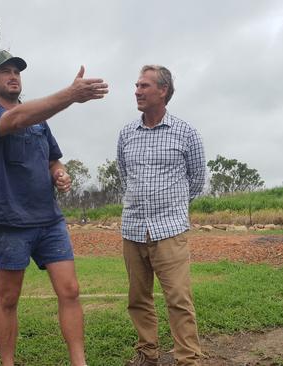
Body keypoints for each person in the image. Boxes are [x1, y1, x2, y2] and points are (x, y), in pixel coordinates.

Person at [0, 50, 108, 366]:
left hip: (49, 220)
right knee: (8, 298)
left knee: (70, 290)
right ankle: (7, 362)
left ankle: (79, 362)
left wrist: (59, 172)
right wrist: (71, 94)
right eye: (5, 71)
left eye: (17, 70)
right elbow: (16, 119)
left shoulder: (40, 121)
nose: (13, 75)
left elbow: (51, 159)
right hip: (10, 221)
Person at [116, 65, 206, 366]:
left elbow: (196, 180)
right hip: (133, 230)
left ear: (163, 91)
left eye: (144, 86)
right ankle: (147, 354)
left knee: (178, 300)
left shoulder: (186, 132)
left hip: (169, 231)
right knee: (138, 299)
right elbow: (124, 174)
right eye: (137, 85)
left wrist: (172, 208)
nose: (137, 91)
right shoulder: (127, 133)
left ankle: (188, 359)